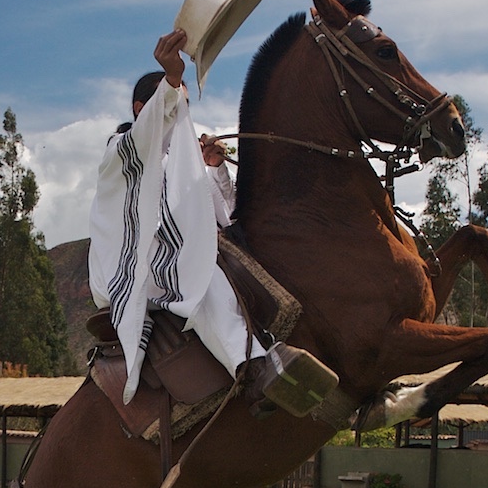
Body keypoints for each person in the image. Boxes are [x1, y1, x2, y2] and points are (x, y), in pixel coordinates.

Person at [89, 28, 335, 417]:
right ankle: (252, 367)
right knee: (198, 273)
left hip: (175, 252)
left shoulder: (183, 164)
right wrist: (172, 78)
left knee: (214, 257)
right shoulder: (122, 150)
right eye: (172, 104)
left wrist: (216, 171)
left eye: (183, 106)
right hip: (132, 270)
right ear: (141, 109)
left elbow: (225, 217)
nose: (179, 113)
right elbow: (150, 136)